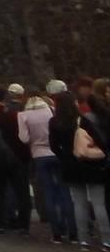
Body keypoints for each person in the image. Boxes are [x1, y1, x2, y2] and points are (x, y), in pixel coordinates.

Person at [51, 90, 109, 251]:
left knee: (79, 203)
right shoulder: (83, 120)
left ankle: (83, 239)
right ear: (73, 103)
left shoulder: (54, 122)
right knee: (99, 203)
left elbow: (54, 146)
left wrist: (66, 157)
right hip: (91, 164)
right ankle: (106, 240)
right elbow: (99, 141)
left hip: (70, 165)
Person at [0, 83, 32, 233]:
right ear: (5, 97)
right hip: (14, 156)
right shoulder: (11, 114)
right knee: (21, 192)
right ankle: (23, 225)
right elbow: (20, 137)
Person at [25, 83, 72, 243]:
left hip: (38, 155)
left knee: (49, 193)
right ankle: (72, 231)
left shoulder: (24, 115)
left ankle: (57, 233)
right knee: (64, 192)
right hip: (56, 153)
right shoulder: (51, 111)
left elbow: (24, 138)